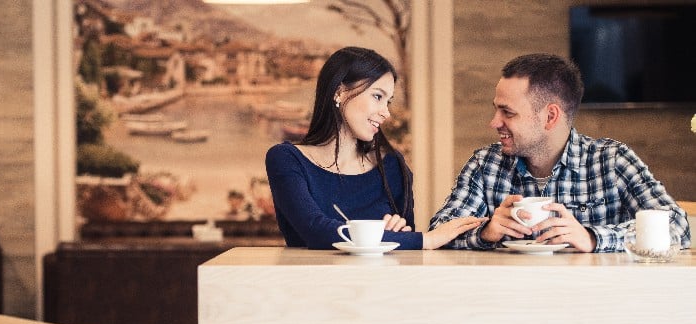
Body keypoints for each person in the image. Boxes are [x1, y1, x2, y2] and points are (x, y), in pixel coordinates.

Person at [430, 53, 691, 252]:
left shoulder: (612, 161)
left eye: (507, 112)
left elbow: (676, 226)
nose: (494, 122)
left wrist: (592, 237)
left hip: (597, 305)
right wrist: (485, 232)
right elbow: (438, 233)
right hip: (506, 303)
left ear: (550, 116)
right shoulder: (486, 164)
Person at [266, 46, 485, 250]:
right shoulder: (286, 159)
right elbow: (315, 231)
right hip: (309, 287)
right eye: (378, 96)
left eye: (388, 101)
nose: (386, 112)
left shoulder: (392, 165)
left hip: (382, 288)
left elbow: (403, 246)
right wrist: (426, 239)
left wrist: (396, 232)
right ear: (339, 92)